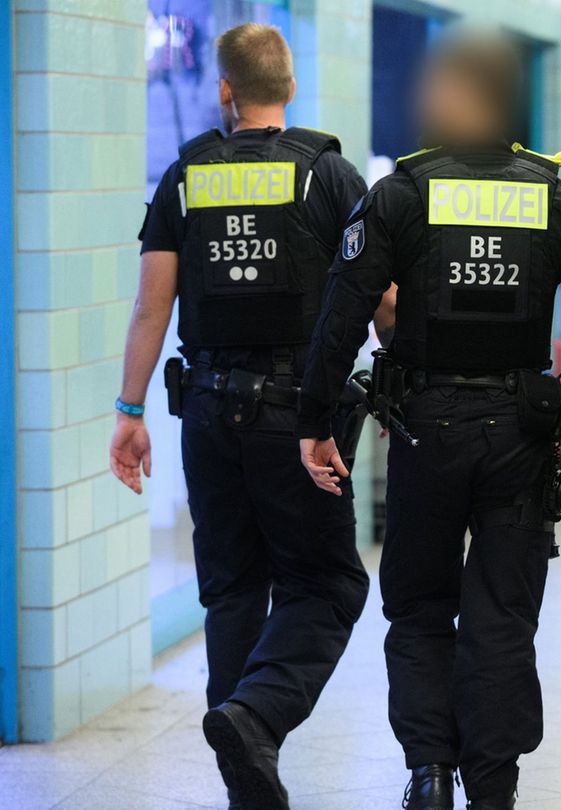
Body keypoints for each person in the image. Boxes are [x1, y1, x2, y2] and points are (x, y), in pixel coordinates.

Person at [294, 32, 561, 810]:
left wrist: (314, 418)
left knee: (418, 603)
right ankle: (493, 786)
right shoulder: (558, 199)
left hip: (424, 430)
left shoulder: (402, 194)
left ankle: (429, 772)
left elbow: (342, 313)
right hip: (521, 433)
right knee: (503, 611)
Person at [108, 23, 371, 809]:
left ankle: (244, 780)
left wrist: (129, 410)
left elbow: (152, 305)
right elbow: (381, 295)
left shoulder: (186, 176)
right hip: (297, 419)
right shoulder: (328, 174)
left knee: (230, 591)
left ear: (226, 89)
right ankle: (256, 717)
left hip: (208, 414)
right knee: (324, 584)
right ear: (287, 89)